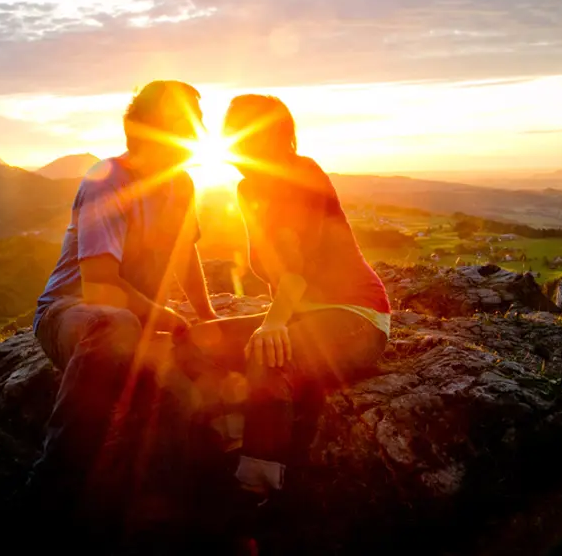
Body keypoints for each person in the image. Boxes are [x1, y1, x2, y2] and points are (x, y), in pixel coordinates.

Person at [179, 94, 391, 509]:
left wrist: (273, 323)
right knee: (193, 342)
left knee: (270, 356)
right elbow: (271, 266)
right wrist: (276, 319)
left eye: (237, 129)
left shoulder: (302, 173)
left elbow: (298, 267)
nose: (227, 137)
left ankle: (254, 491)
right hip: (300, 315)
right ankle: (233, 439)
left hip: (356, 315)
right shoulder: (247, 189)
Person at [28, 80, 217, 529]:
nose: (199, 130)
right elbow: (98, 287)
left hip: (140, 318)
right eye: (186, 121)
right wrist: (166, 316)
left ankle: (174, 513)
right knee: (115, 328)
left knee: (187, 375)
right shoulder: (109, 180)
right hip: (71, 313)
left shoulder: (183, 184)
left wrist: (207, 320)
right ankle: (51, 491)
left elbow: (185, 255)